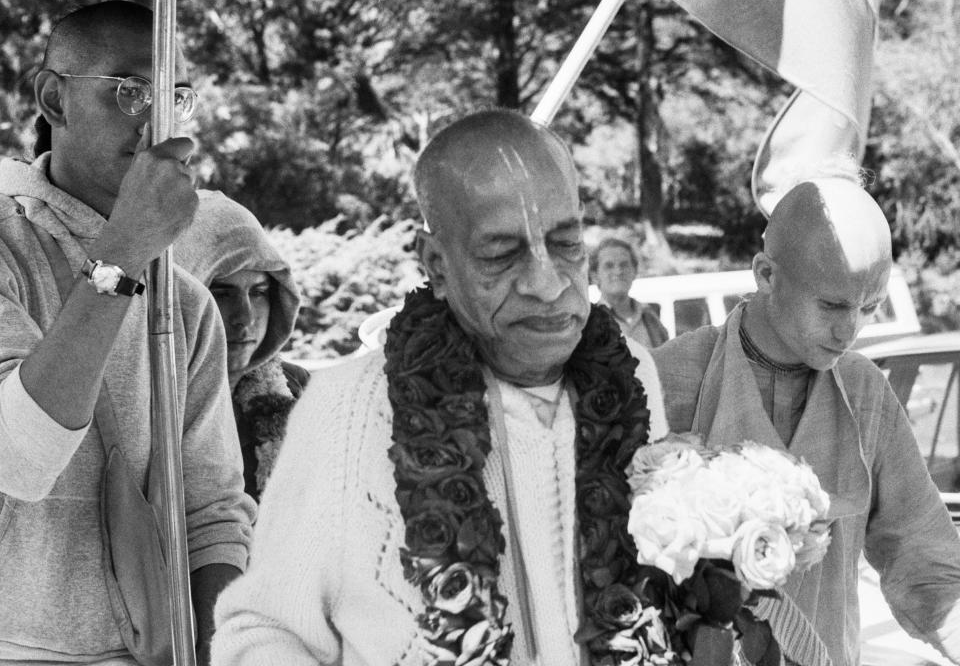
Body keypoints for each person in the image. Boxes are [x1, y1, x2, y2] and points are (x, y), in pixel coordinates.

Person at [211, 110, 669, 665]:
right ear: (436, 263)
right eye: (502, 255)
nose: (548, 285)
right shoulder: (347, 410)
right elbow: (263, 630)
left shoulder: (634, 375)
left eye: (566, 243)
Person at [0, 1, 254, 664]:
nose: (155, 118)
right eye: (130, 90)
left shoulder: (187, 306)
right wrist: (121, 258)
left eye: (173, 95)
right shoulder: (7, 251)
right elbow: (17, 461)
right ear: (52, 97)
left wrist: (217, 649)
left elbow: (213, 516)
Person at [651, 169, 960, 666]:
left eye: (869, 308)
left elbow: (926, 565)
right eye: (833, 305)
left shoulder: (864, 392)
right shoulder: (671, 379)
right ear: (766, 274)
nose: (849, 330)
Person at [174, 190, 309, 502]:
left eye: (259, 292)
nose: (245, 317)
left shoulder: (296, 388)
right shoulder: (154, 400)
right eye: (222, 293)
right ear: (184, 299)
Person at [593, 237, 669, 348]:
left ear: (635, 271)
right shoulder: (587, 324)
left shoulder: (651, 318)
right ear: (594, 275)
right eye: (609, 266)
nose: (618, 271)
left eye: (624, 265)